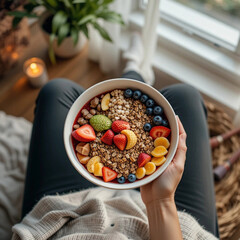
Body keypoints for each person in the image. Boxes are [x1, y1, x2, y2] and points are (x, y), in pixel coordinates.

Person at [12, 34, 219, 240]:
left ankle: (133, 69)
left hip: (66, 218)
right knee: (186, 95)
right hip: (172, 222)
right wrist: (161, 200)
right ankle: (134, 69)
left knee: (56, 90)